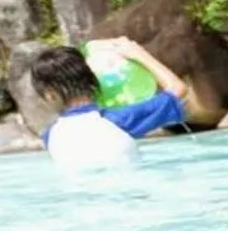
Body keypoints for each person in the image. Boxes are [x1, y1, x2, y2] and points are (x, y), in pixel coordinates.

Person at [31, 36, 190, 172]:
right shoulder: (120, 121)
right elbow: (178, 89)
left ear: (50, 95)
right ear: (93, 80)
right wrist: (139, 54)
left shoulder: (49, 136)